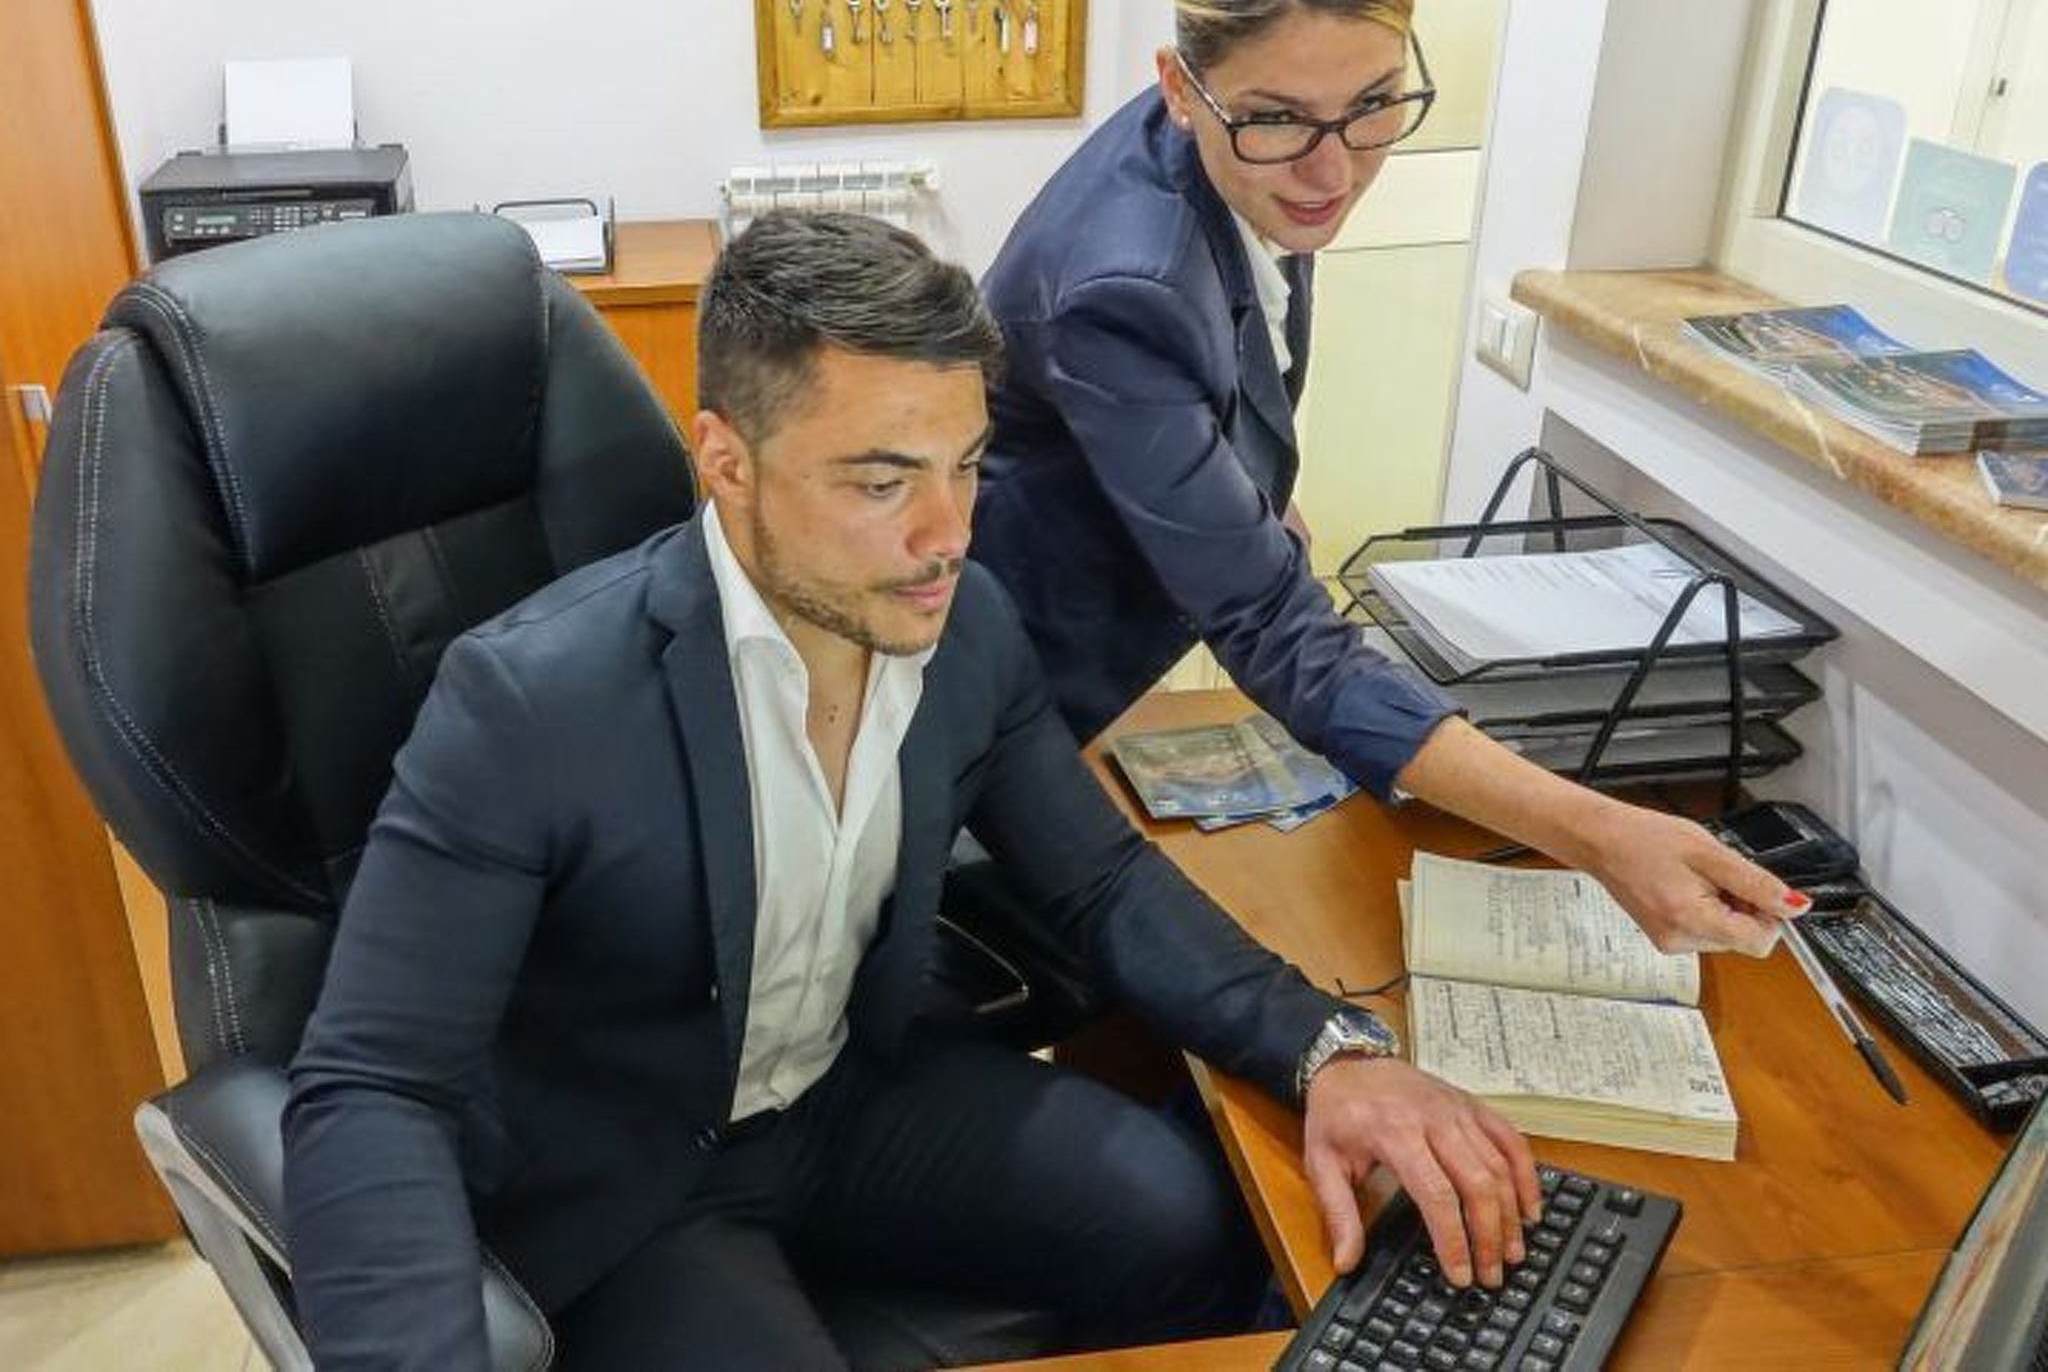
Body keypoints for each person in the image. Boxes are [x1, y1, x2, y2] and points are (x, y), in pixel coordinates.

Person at [281, 211, 1541, 1372]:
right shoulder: (527, 701)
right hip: (634, 1176)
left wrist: (1328, 1054)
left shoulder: (961, 629)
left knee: (1187, 1218)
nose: (946, 531)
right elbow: (373, 1088)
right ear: (725, 460)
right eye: (881, 482)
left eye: (967, 467)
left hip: (844, 1098)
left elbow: (1097, 883)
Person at [974, 0, 1806, 966]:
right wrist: (1597, 832)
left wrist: (1251, 492)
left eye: (1369, 106)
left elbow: (1233, 366)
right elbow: (1270, 631)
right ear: (1182, 88)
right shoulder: (1119, 282)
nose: (1331, 170)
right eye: (1279, 119)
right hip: (1009, 688)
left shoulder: (1239, 148)